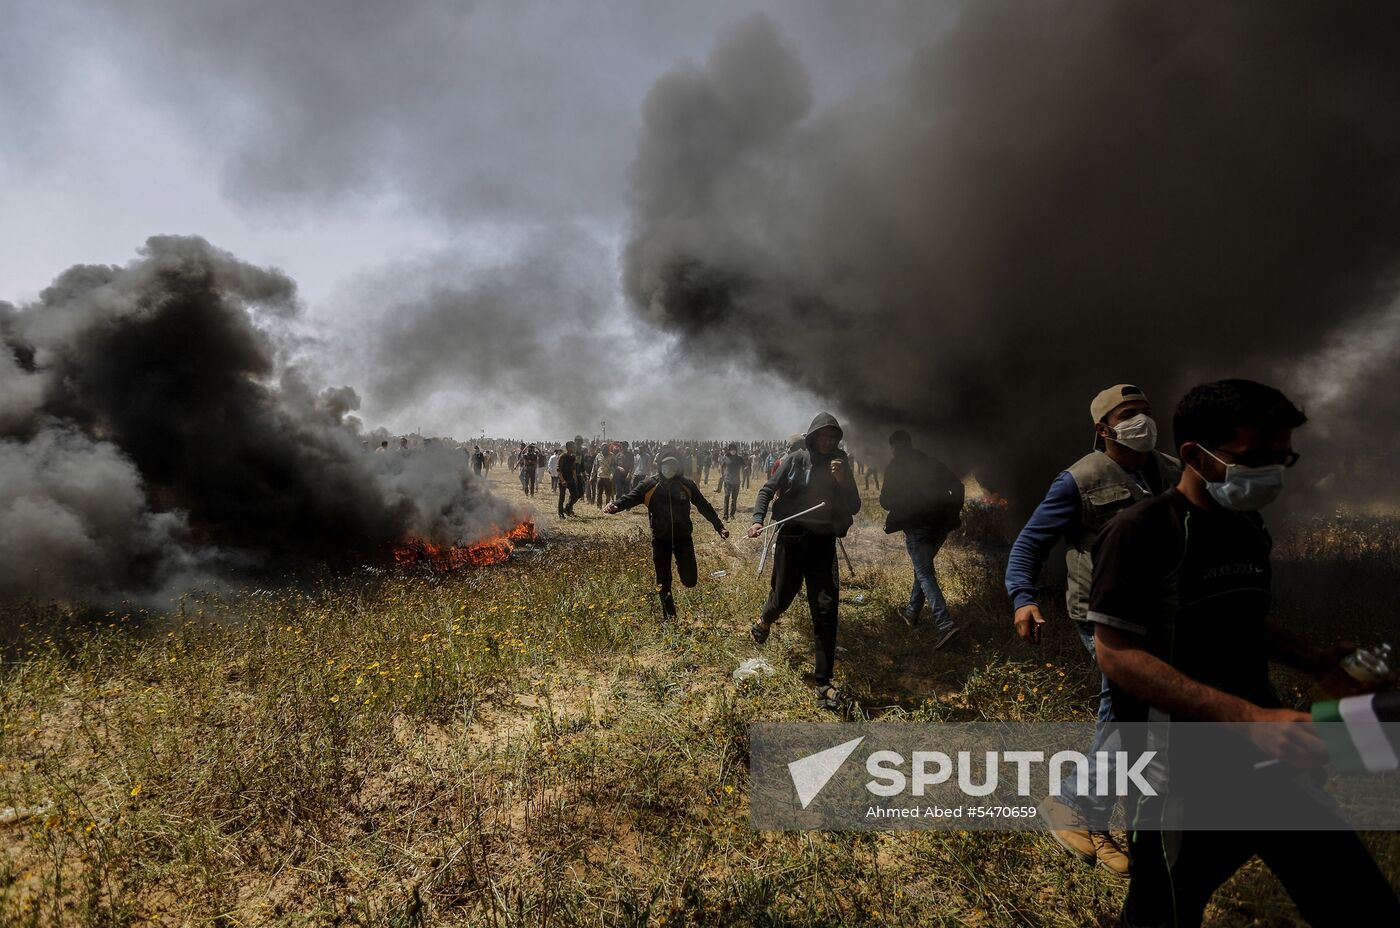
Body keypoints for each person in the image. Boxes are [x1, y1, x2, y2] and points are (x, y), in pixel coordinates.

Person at [1088, 379, 1399, 927]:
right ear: (1194, 455)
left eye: (1283, 459)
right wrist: (1250, 719)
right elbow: (1116, 655)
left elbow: (1240, 617)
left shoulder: (1246, 525)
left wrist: (1316, 658)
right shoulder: (1139, 531)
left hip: (1268, 761)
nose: (1272, 474)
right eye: (1256, 459)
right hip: (1177, 776)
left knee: (1361, 905)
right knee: (1162, 914)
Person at [1005, 383, 1181, 875]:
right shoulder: (1078, 480)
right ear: (1104, 428)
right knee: (1126, 707)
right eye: (1129, 415)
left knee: (1143, 714)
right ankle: (1083, 810)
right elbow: (1028, 546)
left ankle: (1104, 816)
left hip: (1161, 609)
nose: (1142, 422)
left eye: (1145, 411)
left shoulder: (1170, 470)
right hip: (1101, 613)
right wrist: (1023, 598)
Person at [748, 413, 862, 711]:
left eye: (832, 437)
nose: (826, 442)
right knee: (783, 595)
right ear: (812, 437)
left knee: (826, 608)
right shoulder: (797, 459)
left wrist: (841, 481)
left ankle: (823, 683)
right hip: (792, 537)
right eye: (822, 437)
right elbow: (767, 489)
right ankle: (764, 620)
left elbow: (854, 505)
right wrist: (758, 520)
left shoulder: (841, 464)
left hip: (822, 542)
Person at [607, 446, 729, 619]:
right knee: (664, 583)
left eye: (673, 466)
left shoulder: (686, 485)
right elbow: (630, 498)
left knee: (690, 580)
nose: (669, 469)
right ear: (660, 466)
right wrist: (616, 506)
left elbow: (703, 505)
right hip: (660, 540)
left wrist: (719, 526)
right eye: (666, 465)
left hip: (683, 539)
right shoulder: (650, 485)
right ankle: (670, 619)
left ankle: (681, 566)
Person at [880, 430, 965, 648]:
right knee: (923, 568)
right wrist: (953, 514)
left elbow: (885, 502)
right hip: (941, 526)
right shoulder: (930, 462)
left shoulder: (895, 468)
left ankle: (945, 624)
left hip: (917, 527)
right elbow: (958, 486)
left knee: (925, 572)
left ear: (895, 447)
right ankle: (911, 613)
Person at [718, 445, 744, 520]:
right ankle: (725, 515)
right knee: (726, 497)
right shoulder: (725, 458)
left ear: (736, 450)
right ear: (729, 450)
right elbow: (721, 467)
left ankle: (732, 515)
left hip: (736, 482)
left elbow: (745, 466)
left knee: (734, 499)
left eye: (734, 449)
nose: (733, 451)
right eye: (732, 449)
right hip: (727, 481)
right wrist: (722, 475)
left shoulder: (739, 458)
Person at [557, 441, 580, 518]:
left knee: (576, 495)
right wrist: (562, 480)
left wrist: (575, 479)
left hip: (570, 479)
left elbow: (573, 469)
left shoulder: (572, 457)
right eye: (573, 446)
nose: (574, 448)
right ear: (568, 448)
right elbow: (559, 470)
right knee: (562, 498)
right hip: (563, 479)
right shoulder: (562, 456)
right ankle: (560, 513)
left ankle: (567, 508)